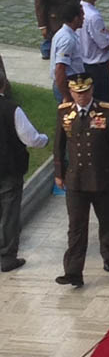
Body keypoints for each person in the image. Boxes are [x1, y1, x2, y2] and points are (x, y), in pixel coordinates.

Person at [54, 74, 109, 287]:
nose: (81, 96)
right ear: (71, 92)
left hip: (102, 178)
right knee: (76, 226)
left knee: (106, 220)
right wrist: (59, 173)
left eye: (85, 92)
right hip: (76, 180)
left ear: (91, 90)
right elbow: (59, 146)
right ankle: (73, 271)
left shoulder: (108, 112)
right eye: (77, 92)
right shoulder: (65, 113)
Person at [0, 71, 48, 273]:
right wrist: (44, 140)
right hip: (9, 168)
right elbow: (30, 138)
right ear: (4, 85)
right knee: (9, 213)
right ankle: (7, 256)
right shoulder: (12, 109)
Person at [78, 0, 109, 102]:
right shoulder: (94, 16)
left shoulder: (78, 10)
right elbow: (104, 44)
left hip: (82, 63)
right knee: (104, 103)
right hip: (97, 67)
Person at [50, 3, 85, 103]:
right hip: (68, 87)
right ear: (75, 18)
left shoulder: (63, 34)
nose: (84, 18)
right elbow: (60, 69)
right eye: (82, 15)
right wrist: (66, 95)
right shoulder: (67, 40)